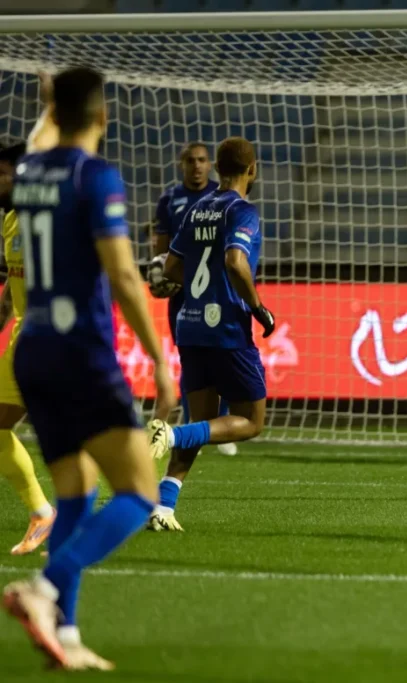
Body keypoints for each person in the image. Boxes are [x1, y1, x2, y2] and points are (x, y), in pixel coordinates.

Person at [1, 67, 174, 671]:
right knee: (140, 491)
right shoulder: (94, 175)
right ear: (103, 116)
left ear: (53, 113)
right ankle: (44, 589)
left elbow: (39, 140)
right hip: (80, 350)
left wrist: (49, 103)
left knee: (76, 494)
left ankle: (67, 636)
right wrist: (160, 359)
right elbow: (123, 273)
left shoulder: (29, 173)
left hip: (32, 348)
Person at [146, 137, 275, 532]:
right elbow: (236, 262)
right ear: (252, 169)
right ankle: (170, 434)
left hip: (190, 323)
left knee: (201, 421)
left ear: (217, 168)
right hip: (226, 328)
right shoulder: (243, 210)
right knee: (250, 420)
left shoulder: (196, 208)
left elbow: (171, 269)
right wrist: (258, 307)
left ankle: (163, 507)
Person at [149, 143, 239, 458]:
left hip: (215, 293)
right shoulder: (169, 200)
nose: (196, 165)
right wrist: (161, 275)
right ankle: (193, 426)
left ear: (210, 164)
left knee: (223, 359)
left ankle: (220, 426)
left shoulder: (222, 196)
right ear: (181, 164)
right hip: (183, 295)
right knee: (192, 362)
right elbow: (161, 251)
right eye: (190, 160)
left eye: (202, 160)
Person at [0, 140, 55, 556]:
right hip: (23, 337)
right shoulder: (10, 220)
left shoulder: (46, 219)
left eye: (1, 175)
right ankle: (43, 512)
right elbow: (11, 287)